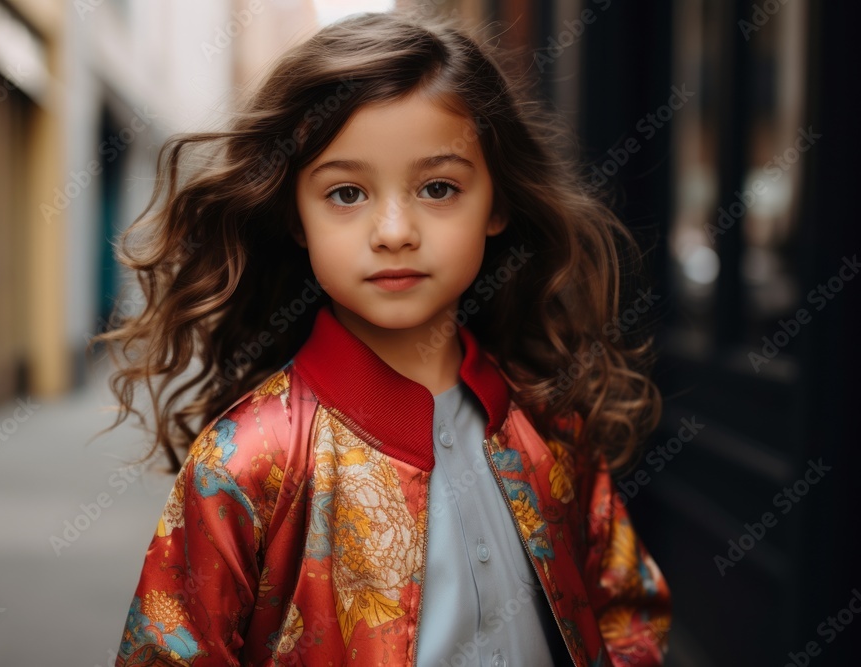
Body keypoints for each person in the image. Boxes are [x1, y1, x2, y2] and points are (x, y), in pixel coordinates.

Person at [98, 10, 671, 667]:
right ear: (294, 214)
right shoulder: (247, 460)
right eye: (346, 193)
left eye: (438, 188)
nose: (394, 230)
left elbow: (628, 611)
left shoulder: (550, 418)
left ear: (498, 203)